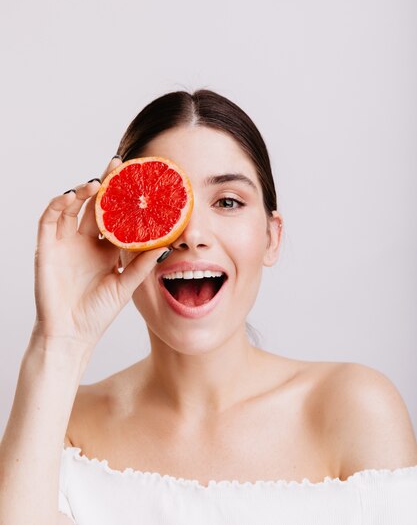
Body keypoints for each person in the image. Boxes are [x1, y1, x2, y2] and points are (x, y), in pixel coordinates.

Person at [1, 89, 416, 525]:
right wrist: (60, 341)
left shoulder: (356, 408)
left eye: (228, 202)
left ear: (272, 237)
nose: (191, 233)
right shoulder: (63, 427)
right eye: (163, 205)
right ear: (122, 240)